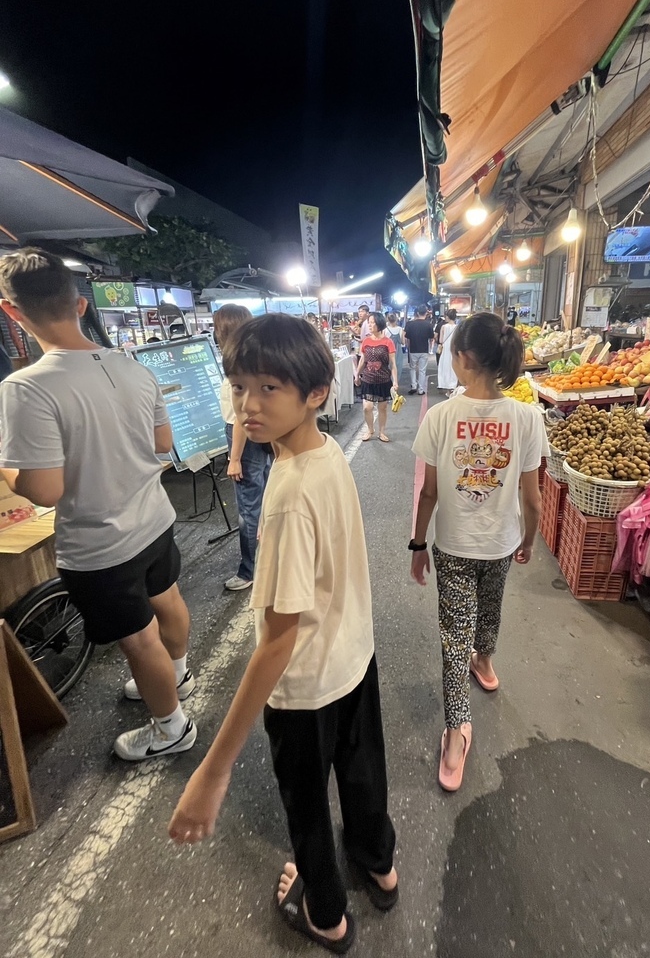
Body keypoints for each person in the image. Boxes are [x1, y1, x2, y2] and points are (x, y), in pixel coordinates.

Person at [168, 313, 397, 953]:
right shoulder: (326, 456)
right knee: (361, 773)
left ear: (315, 393)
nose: (248, 405)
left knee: (306, 807)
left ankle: (326, 915)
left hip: (304, 689)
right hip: (354, 658)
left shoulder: (289, 491)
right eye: (240, 387)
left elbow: (277, 642)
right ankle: (379, 865)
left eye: (268, 389)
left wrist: (213, 772)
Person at [0, 249, 196, 760]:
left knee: (138, 642)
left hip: (100, 543)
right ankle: (177, 677)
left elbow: (43, 490)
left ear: (11, 311)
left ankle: (170, 727)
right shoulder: (133, 367)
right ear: (81, 305)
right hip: (154, 519)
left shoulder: (26, 388)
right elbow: (161, 443)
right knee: (167, 600)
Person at [410, 312, 547, 792]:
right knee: (492, 603)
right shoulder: (528, 418)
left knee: (453, 636)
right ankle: (485, 662)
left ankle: (455, 734)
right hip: (502, 542)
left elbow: (427, 494)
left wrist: (417, 545)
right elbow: (533, 498)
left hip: (452, 544)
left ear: (464, 359)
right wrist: (527, 540)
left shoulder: (441, 416)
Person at [213, 304, 272, 592]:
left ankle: (250, 570)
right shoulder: (257, 356)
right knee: (265, 500)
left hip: (244, 438)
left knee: (249, 509)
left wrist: (234, 458)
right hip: (261, 437)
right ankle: (270, 558)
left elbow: (241, 416)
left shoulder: (238, 363)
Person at [355, 311, 398, 442]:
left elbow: (393, 364)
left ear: (379, 324)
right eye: (369, 323)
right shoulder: (366, 341)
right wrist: (357, 375)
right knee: (367, 407)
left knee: (382, 408)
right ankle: (370, 429)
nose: (369, 325)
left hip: (384, 380)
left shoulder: (388, 342)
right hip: (368, 380)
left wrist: (395, 381)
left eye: (372, 322)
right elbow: (363, 360)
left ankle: (382, 432)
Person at [404, 304, 434, 395]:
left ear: (417, 313)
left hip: (413, 349)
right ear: (426, 313)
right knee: (422, 370)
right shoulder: (428, 325)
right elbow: (431, 338)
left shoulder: (410, 324)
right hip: (424, 350)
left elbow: (406, 337)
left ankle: (413, 386)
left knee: (412, 368)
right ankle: (421, 389)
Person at [437, 308, 459, 394]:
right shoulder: (457, 327)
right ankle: (453, 386)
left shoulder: (443, 327)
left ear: (448, 317)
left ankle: (447, 388)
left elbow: (441, 340)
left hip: (446, 350)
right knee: (453, 368)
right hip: (454, 349)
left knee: (445, 367)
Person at [384, 312, 405, 391]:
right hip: (398, 352)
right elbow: (403, 342)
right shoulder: (400, 329)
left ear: (387, 320)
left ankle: (388, 388)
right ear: (396, 319)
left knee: (388, 369)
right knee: (397, 369)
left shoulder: (385, 330)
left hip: (387, 352)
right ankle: (395, 386)